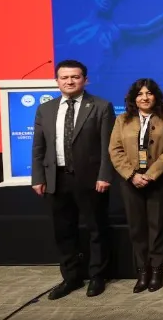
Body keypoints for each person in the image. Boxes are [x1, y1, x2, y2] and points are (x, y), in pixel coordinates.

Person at [31, 60, 116, 299]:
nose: (70, 81)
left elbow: (108, 146)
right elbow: (38, 147)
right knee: (63, 231)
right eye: (64, 77)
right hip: (56, 178)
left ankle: (97, 276)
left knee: (96, 229)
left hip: (91, 179)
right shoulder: (45, 109)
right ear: (57, 81)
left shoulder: (101, 106)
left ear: (85, 80)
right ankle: (71, 277)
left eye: (75, 77)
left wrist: (104, 175)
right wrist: (38, 177)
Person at [109, 78, 163, 293]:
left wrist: (151, 175)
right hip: (130, 181)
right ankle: (142, 271)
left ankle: (157, 270)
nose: (145, 97)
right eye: (140, 94)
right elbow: (115, 150)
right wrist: (132, 175)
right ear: (133, 98)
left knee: (156, 227)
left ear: (156, 96)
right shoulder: (122, 120)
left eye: (149, 93)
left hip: (158, 181)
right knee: (137, 228)